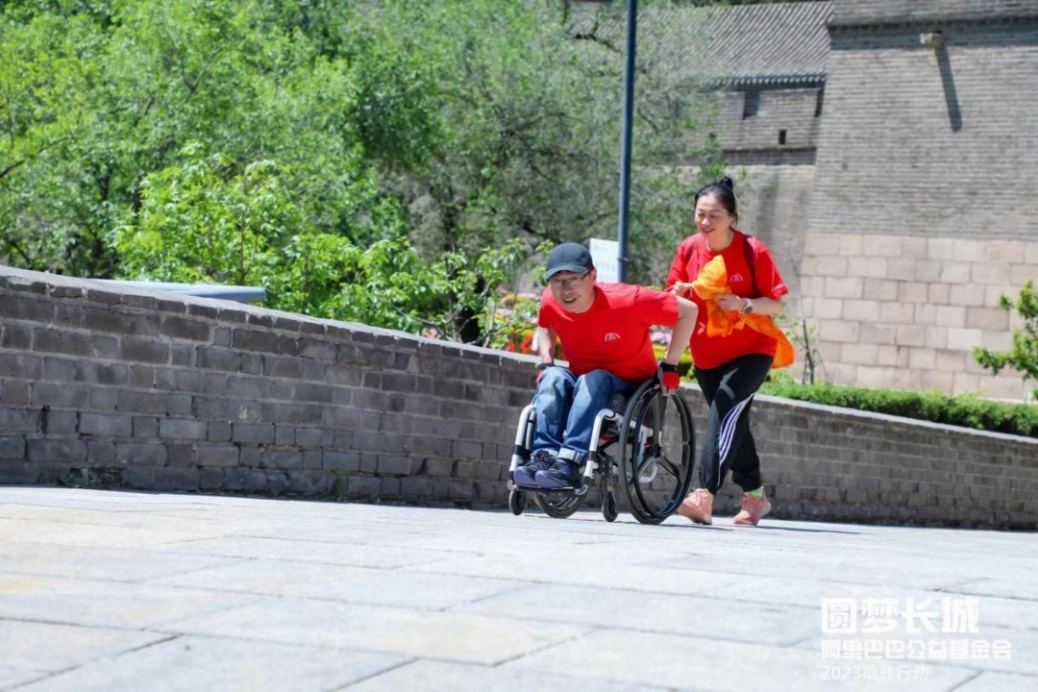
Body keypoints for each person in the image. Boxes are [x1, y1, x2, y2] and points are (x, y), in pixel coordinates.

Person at [514, 242, 698, 490]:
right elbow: (545, 322)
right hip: (581, 383)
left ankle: (569, 462)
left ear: (593, 276)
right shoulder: (550, 299)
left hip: (630, 389)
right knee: (553, 377)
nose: (565, 289)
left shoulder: (630, 300)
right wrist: (546, 361)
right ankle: (543, 456)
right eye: (557, 280)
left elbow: (689, 311)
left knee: (595, 378)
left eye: (573, 279)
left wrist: (670, 365)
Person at [665, 177, 791, 527]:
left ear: (732, 217)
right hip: (707, 354)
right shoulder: (689, 249)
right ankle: (755, 495)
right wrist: (679, 292)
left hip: (753, 347)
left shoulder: (753, 251)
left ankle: (703, 494)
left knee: (724, 409)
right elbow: (672, 298)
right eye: (700, 214)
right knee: (734, 421)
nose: (705, 222)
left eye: (714, 216)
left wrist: (743, 303)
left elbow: (776, 305)